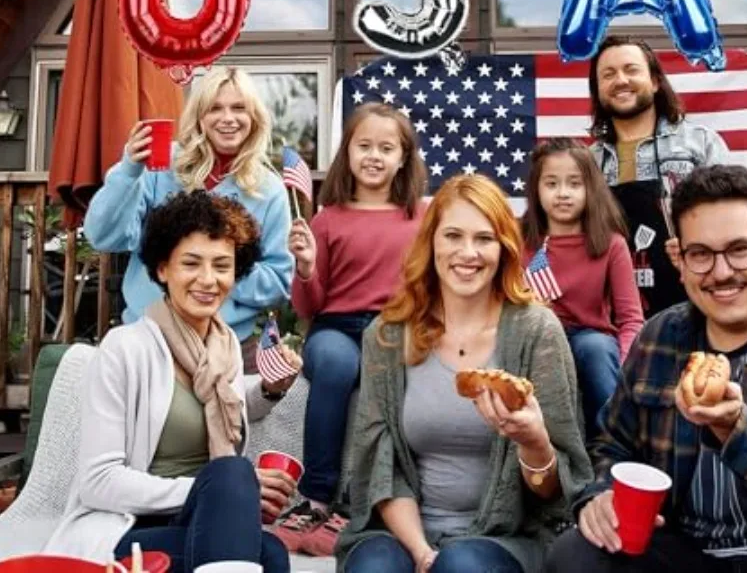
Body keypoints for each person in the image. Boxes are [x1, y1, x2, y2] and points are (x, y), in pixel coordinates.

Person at [545, 165, 747, 573]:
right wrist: (601, 495)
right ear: (681, 260)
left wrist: (739, 431)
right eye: (701, 254)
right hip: (687, 554)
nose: (721, 272)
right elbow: (611, 446)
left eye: (740, 249)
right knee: (574, 554)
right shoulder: (660, 338)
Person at [337, 174, 593, 573]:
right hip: (402, 533)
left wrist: (533, 441)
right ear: (432, 242)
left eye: (484, 239)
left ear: (504, 248)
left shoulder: (536, 331)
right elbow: (379, 470)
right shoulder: (386, 338)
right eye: (453, 236)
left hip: (507, 537)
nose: (467, 253)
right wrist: (422, 552)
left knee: (460, 567)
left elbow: (558, 492)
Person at [44, 190, 300, 572]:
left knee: (270, 549)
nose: (208, 280)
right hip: (125, 527)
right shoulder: (124, 348)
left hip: (197, 519)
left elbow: (219, 398)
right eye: (191, 264)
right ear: (163, 269)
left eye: (222, 266)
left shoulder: (222, 343)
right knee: (234, 477)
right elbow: (97, 482)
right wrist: (214, 490)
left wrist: (268, 388)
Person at [274, 103, 428, 557]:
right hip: (334, 328)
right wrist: (304, 266)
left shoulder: (419, 218)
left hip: (395, 326)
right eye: (364, 146)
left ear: (404, 157)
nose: (374, 156)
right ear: (348, 152)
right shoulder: (326, 219)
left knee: (394, 369)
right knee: (338, 366)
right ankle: (318, 496)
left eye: (387, 147)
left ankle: (367, 499)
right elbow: (308, 304)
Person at [85, 67, 294, 360]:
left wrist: (215, 273)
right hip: (150, 335)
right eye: (215, 109)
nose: (228, 118)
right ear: (199, 116)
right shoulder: (159, 166)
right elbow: (103, 236)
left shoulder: (269, 189)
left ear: (254, 118)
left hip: (227, 343)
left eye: (239, 108)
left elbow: (279, 282)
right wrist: (129, 170)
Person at [589, 35, 729, 317]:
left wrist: (698, 244)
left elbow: (732, 218)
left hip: (697, 305)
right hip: (615, 315)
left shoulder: (700, 143)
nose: (620, 80)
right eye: (608, 74)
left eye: (631, 70)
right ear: (599, 89)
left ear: (654, 82)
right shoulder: (587, 162)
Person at [521, 138, 643, 438]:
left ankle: (612, 445)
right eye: (551, 184)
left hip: (590, 342)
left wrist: (625, 365)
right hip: (535, 336)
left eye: (574, 184)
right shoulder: (518, 240)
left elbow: (631, 319)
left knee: (594, 347)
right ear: (537, 190)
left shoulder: (611, 244)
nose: (563, 194)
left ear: (591, 189)